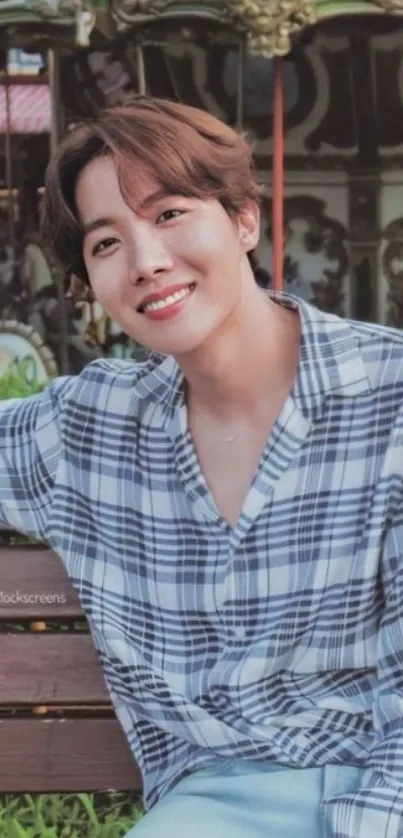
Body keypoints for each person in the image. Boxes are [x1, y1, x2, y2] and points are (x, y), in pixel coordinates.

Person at [1, 96, 403, 838]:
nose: (147, 262)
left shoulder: (388, 397)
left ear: (243, 218)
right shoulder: (88, 430)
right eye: (105, 243)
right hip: (215, 805)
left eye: (169, 214)